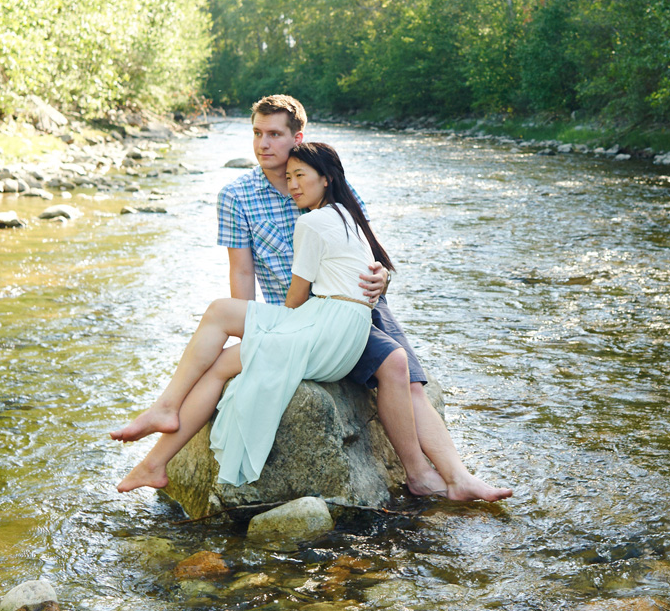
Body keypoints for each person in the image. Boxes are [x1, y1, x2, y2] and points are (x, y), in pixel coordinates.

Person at [219, 94, 511, 502]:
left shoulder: (327, 178)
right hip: (310, 312)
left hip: (364, 300)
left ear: (296, 137)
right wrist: (247, 333)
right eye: (257, 133)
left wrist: (382, 277)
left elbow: (368, 249)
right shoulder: (237, 196)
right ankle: (422, 475)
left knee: (411, 380)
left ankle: (457, 476)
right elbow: (242, 271)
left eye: (274, 134)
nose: (263, 144)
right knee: (393, 365)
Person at [112, 142, 382, 491]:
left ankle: (155, 456)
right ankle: (161, 422)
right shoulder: (348, 215)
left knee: (225, 360)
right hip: (342, 328)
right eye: (289, 177)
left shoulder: (313, 222)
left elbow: (296, 299)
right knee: (221, 310)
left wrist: (265, 333)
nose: (294, 185)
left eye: (301, 175)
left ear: (326, 178)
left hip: (327, 328)